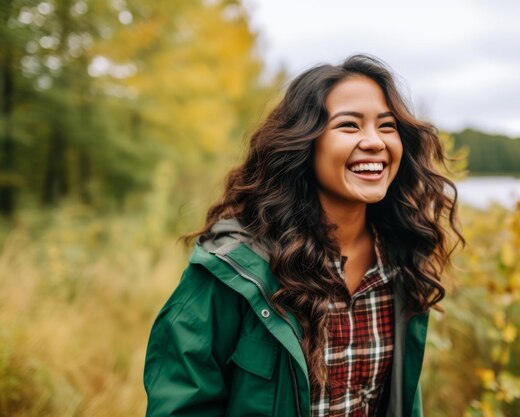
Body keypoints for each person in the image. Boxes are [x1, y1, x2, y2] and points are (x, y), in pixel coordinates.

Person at [143, 54, 464, 417]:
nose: (375, 141)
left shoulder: (401, 260)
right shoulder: (233, 268)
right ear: (305, 143)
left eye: (387, 126)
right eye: (349, 126)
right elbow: (181, 405)